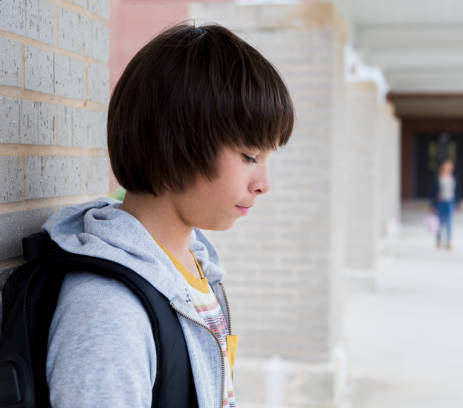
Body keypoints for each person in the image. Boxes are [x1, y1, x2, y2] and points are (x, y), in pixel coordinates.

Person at [41, 23, 294, 407]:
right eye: (249, 156)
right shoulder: (108, 310)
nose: (264, 183)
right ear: (175, 143)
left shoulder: (194, 265)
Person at [429, 159, 461, 249]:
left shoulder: (454, 178)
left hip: (450, 202)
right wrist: (432, 204)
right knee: (439, 222)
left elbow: (457, 191)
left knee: (449, 222)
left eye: (450, 166)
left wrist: (458, 203)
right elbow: (432, 191)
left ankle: (448, 241)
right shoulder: (438, 177)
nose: (449, 167)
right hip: (440, 202)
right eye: (447, 165)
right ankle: (439, 240)